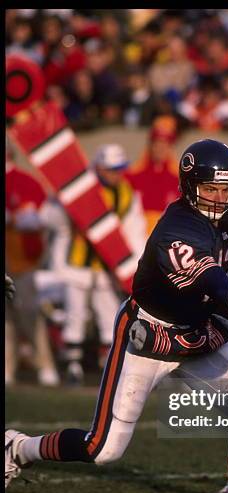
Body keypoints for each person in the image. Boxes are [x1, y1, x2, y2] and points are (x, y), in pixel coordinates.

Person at [6, 139, 228, 493]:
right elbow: (210, 276)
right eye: (210, 189)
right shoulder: (178, 229)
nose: (220, 198)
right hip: (149, 334)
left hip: (195, 330)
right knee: (102, 449)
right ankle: (17, 448)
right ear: (190, 186)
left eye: (226, 189)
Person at [62, 143, 147, 385]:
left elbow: (134, 229)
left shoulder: (126, 192)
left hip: (110, 266)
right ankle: (73, 366)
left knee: (109, 315)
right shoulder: (81, 188)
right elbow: (55, 219)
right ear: (98, 166)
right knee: (74, 314)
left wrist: (134, 265)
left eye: (119, 168)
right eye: (111, 169)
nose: (115, 173)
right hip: (77, 262)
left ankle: (106, 366)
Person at [6, 145, 60, 387]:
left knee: (29, 310)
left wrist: (16, 217)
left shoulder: (25, 182)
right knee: (7, 315)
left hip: (20, 257)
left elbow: (38, 219)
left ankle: (44, 364)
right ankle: (8, 367)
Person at [125, 116, 180, 236]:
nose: (160, 148)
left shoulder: (179, 179)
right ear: (150, 145)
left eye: (165, 144)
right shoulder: (133, 175)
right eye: (157, 144)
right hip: (137, 236)